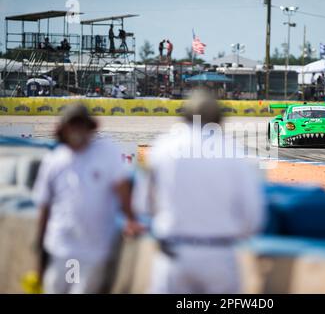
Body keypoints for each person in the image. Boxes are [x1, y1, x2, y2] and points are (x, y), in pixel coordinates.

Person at [140, 89, 265, 294]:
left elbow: (144, 205)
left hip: (174, 251)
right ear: (219, 119)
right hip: (219, 253)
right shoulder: (235, 153)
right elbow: (253, 215)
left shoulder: (162, 148)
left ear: (185, 116)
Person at [33, 103, 144, 294]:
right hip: (60, 247)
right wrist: (40, 249)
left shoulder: (106, 153)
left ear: (89, 128)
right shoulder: (54, 160)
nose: (76, 131)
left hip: (94, 250)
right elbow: (45, 206)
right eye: (72, 125)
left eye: (80, 125)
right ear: (64, 130)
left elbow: (123, 190)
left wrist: (131, 219)